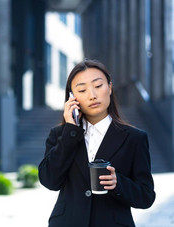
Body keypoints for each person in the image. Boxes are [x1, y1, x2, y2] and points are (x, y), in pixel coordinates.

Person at [38, 59, 156, 227]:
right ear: (72, 97)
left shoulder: (134, 138)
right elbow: (50, 181)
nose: (92, 95)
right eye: (82, 90)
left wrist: (118, 183)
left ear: (109, 87)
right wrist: (70, 132)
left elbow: (146, 196)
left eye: (98, 86)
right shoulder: (60, 135)